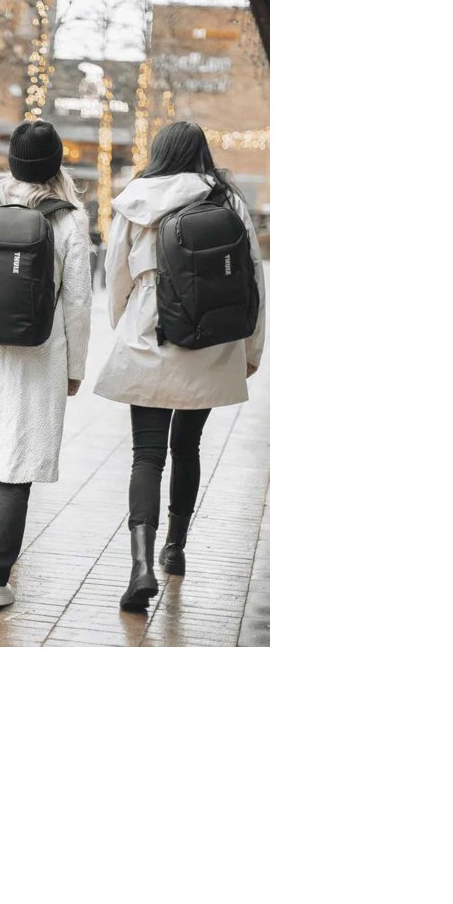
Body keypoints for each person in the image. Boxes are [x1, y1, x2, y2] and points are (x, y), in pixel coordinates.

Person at [93, 120, 266, 611]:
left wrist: (124, 323)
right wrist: (251, 349)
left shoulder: (136, 198)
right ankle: (176, 547)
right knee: (187, 446)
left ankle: (140, 566)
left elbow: (116, 274)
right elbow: (252, 279)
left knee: (146, 456)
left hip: (150, 334)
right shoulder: (226, 200)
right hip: (210, 341)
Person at [0, 120, 92, 608]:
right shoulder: (68, 219)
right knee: (17, 460)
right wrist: (75, 366)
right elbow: (77, 302)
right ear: (56, 164)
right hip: (39, 353)